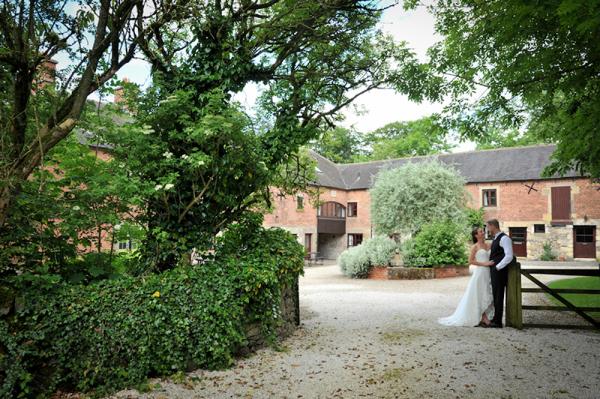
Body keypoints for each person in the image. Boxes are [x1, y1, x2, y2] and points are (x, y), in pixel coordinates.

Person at [438, 227, 495, 327]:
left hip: (488, 273)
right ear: (476, 235)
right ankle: (484, 317)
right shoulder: (475, 247)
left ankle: (484, 316)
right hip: (480, 273)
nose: (483, 232)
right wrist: (484, 264)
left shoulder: (489, 245)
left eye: (483, 231)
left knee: (486, 292)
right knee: (479, 294)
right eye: (481, 231)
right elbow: (471, 261)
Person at [485, 219, 515, 328]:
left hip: (499, 272)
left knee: (498, 296)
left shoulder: (504, 238)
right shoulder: (497, 238)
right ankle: (495, 319)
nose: (488, 229)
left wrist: (497, 267)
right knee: (495, 295)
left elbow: (509, 256)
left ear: (493, 226)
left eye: (488, 227)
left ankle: (497, 322)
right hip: (495, 271)